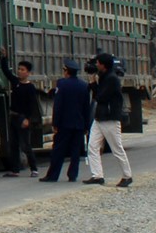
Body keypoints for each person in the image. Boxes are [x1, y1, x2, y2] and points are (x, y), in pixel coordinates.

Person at [83, 53, 133, 187]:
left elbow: (100, 96)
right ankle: (97, 175)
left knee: (117, 148)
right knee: (92, 146)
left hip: (110, 118)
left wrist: (94, 83)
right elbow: (97, 94)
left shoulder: (111, 79)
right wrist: (93, 81)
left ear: (103, 65)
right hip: (100, 117)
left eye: (98, 63)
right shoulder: (104, 77)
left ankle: (127, 176)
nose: (96, 65)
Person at [39, 58, 91, 182]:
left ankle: (53, 175)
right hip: (78, 124)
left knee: (58, 150)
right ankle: (73, 175)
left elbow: (58, 106)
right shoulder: (84, 86)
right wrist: (86, 126)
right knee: (75, 151)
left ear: (66, 71)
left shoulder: (62, 84)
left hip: (64, 124)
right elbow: (86, 107)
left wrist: (55, 123)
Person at [0, 48, 39, 178]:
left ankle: (34, 169)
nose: (20, 71)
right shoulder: (16, 83)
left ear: (28, 73)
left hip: (23, 118)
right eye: (19, 69)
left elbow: (32, 105)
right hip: (13, 116)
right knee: (14, 144)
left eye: (23, 70)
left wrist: (27, 119)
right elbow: (6, 72)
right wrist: (3, 58)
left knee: (26, 145)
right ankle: (15, 169)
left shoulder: (30, 88)